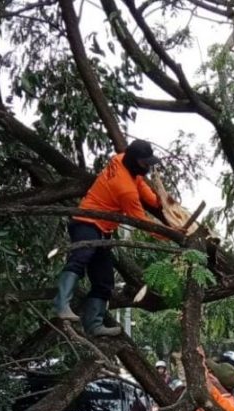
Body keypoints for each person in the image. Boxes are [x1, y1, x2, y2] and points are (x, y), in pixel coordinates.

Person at [53, 139, 171, 336]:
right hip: (86, 221)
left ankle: (94, 325)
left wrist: (159, 201)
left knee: (104, 279)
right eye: (144, 163)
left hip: (103, 229)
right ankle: (61, 304)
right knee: (81, 257)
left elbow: (140, 183)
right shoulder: (125, 190)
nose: (147, 167)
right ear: (134, 160)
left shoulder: (120, 159)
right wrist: (168, 234)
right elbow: (141, 222)